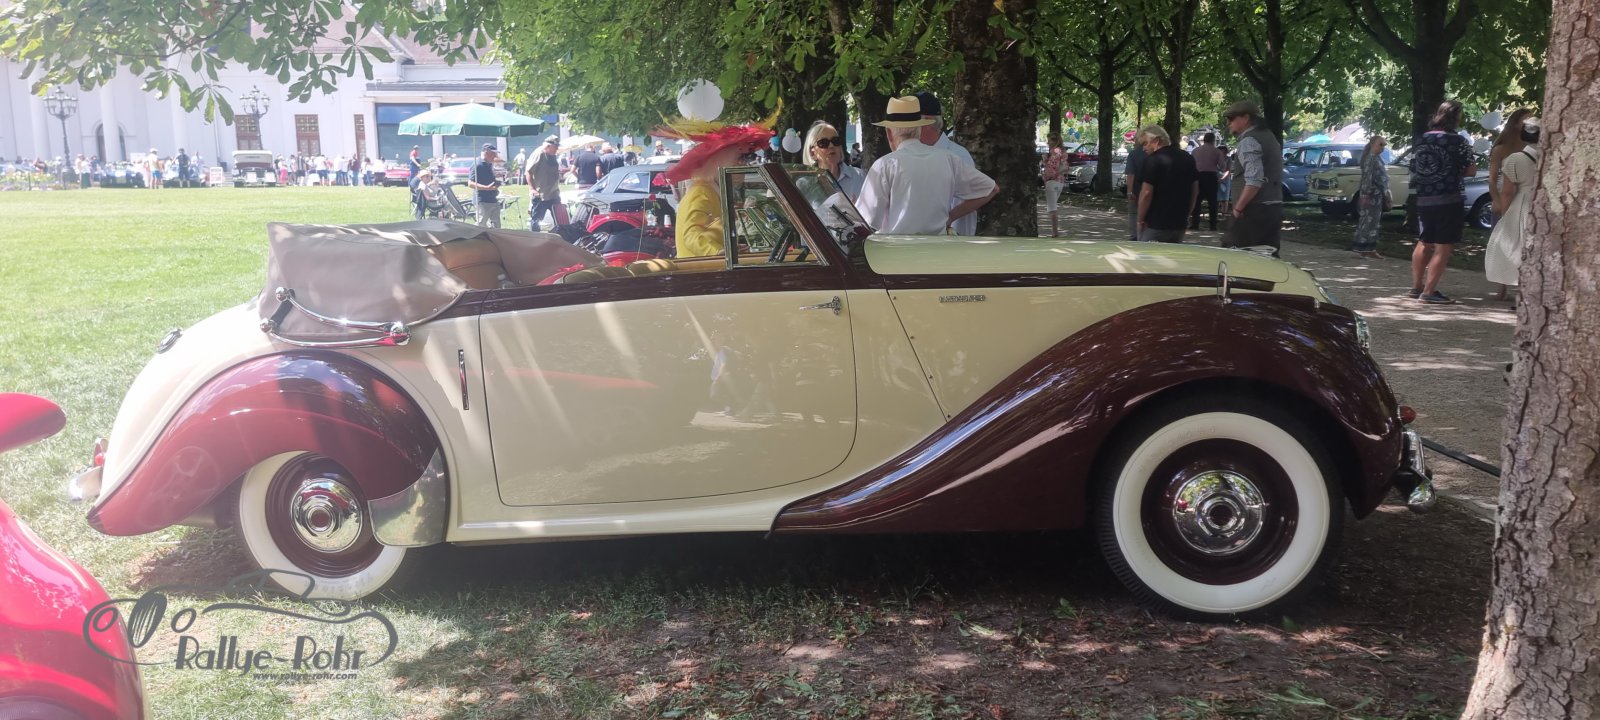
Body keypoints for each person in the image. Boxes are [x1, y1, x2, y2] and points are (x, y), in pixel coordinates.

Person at [856, 95, 998, 236]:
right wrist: (949, 217)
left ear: (889, 132)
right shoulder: (949, 158)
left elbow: (864, 221)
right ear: (919, 128)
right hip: (939, 246)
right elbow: (991, 188)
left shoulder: (885, 165)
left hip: (899, 248)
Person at [654, 120, 776, 258]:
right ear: (721, 162)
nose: (743, 164)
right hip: (701, 269)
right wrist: (718, 252)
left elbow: (710, 231)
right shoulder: (702, 192)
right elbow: (691, 235)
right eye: (740, 158)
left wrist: (728, 248)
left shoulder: (710, 191)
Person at [1407, 100, 1479, 304]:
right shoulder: (1458, 141)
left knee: (1424, 241)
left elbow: (1414, 166)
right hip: (1449, 199)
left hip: (1424, 198)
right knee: (1443, 245)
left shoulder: (1421, 139)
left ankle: (1416, 286)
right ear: (1455, 117)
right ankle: (1429, 292)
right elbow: (1471, 170)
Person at [1220, 100, 1284, 255]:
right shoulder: (1269, 137)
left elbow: (1254, 180)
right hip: (1273, 207)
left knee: (1238, 256)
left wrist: (1238, 208)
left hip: (1253, 210)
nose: (1228, 123)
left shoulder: (1249, 141)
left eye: (1232, 118)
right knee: (1268, 256)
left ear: (1246, 118)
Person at [1485, 119, 1539, 300]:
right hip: (1544, 203)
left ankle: (1506, 287)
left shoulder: (1515, 159)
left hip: (1522, 204)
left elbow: (1507, 192)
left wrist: (1504, 214)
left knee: (1511, 245)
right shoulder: (1553, 156)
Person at [914, 91, 981, 235]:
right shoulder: (916, 153)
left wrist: (949, 218)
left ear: (927, 122)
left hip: (952, 240)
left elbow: (981, 193)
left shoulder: (957, 155)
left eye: (911, 122)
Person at [1134, 125, 1199, 243]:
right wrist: (1187, 213)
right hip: (1179, 225)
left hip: (1155, 224)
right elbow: (1194, 190)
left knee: (1145, 254)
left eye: (1145, 143)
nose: (1143, 148)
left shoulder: (1152, 160)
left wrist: (1140, 220)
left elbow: (1146, 193)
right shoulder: (1188, 158)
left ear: (1156, 140)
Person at [801, 120, 866, 201]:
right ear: (812, 153)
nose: (831, 146)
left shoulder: (859, 176)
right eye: (823, 143)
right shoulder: (804, 185)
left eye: (836, 141)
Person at [1351, 136, 1390, 258]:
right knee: (1368, 221)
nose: (1382, 147)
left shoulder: (1377, 158)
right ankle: (1363, 247)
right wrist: (1366, 195)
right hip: (1371, 195)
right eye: (1380, 144)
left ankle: (1370, 248)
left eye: (1384, 145)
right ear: (1373, 144)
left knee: (1373, 222)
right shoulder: (1371, 159)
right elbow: (1367, 178)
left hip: (1377, 195)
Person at [525, 135, 568, 231]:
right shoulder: (538, 154)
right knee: (536, 220)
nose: (557, 149)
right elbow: (528, 171)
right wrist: (532, 189)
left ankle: (560, 236)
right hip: (541, 195)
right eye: (555, 147)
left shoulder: (552, 155)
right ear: (548, 146)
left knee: (560, 219)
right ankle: (535, 237)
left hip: (554, 194)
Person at [1189, 132, 1225, 230]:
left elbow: (1191, 165)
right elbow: (1222, 166)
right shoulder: (1216, 151)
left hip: (1198, 176)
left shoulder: (1195, 151)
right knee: (1212, 202)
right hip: (1211, 177)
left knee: (1196, 201)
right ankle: (1213, 225)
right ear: (1213, 140)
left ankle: (1195, 224)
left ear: (1204, 140)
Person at [467, 144, 503, 228]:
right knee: (481, 224)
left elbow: (493, 179)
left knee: (496, 225)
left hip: (493, 198)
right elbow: (470, 183)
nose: (495, 156)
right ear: (487, 152)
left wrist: (500, 179)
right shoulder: (477, 164)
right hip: (482, 200)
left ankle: (494, 236)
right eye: (493, 153)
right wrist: (486, 188)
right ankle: (476, 236)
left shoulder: (491, 164)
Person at [1040, 143, 1069, 237]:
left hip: (1052, 181)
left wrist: (1053, 174)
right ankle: (1055, 232)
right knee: (1052, 207)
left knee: (1052, 208)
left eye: (1049, 141)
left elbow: (1064, 167)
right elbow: (1065, 166)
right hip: (1059, 182)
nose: (1048, 143)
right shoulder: (1062, 153)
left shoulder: (1055, 151)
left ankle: (1055, 232)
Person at [1123, 138, 1147, 241]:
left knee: (1133, 213)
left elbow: (1130, 174)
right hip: (1152, 191)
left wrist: (1129, 191)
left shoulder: (1134, 154)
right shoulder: (1156, 153)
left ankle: (1135, 235)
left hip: (1137, 190)